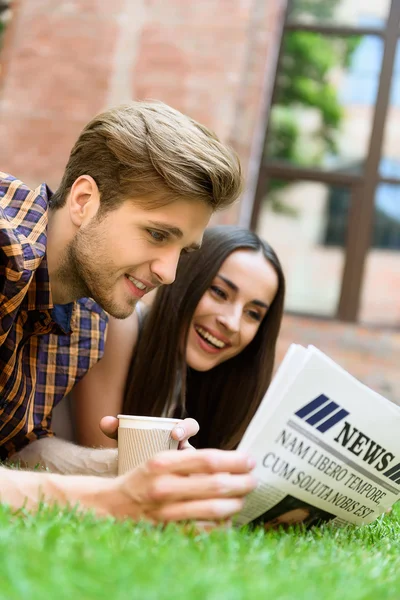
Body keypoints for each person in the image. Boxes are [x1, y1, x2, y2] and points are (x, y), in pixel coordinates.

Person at [0, 100, 257, 524]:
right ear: (84, 200)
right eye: (157, 234)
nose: (169, 273)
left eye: (183, 250)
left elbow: (19, 450)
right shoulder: (7, 248)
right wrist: (106, 502)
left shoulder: (87, 317)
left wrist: (141, 471)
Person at [69, 225, 285, 452]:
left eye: (253, 314)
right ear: (186, 279)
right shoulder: (121, 326)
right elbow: (105, 462)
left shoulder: (232, 385)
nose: (231, 323)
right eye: (219, 293)